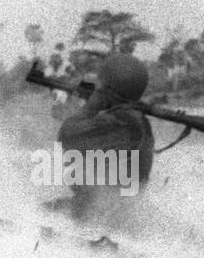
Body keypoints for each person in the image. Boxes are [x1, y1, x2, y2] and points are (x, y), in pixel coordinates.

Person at [52, 53, 155, 220]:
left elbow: (67, 136)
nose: (96, 87)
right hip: (109, 210)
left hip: (100, 216)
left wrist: (91, 106)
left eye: (99, 84)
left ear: (108, 89)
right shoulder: (135, 120)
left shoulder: (124, 121)